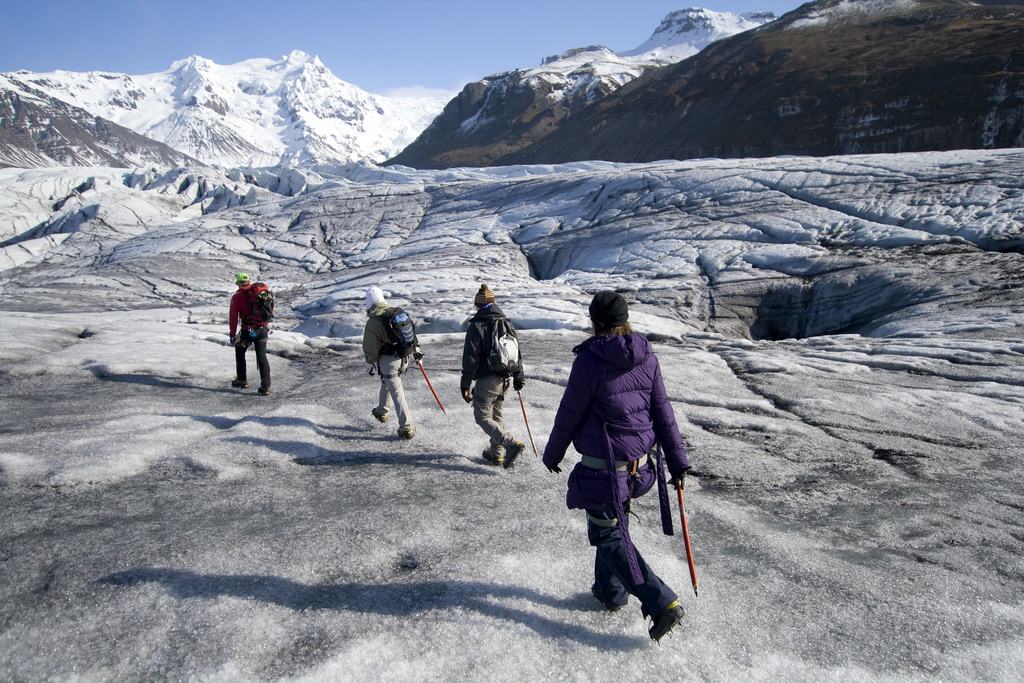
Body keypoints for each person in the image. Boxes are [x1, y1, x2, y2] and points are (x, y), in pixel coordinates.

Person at [542, 291, 691, 642]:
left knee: (607, 533)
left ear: (595, 322)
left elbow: (569, 414)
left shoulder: (590, 361)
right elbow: (663, 412)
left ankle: (662, 602)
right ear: (625, 320)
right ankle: (610, 593)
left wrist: (552, 454)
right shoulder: (646, 356)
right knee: (613, 524)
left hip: (602, 470)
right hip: (638, 468)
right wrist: (678, 461)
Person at [460, 284, 527, 469]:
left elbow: (471, 358)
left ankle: (511, 443)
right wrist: (518, 376)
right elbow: (516, 352)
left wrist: (465, 384)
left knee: (482, 417)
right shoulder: (506, 323)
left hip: (488, 380)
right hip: (504, 379)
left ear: (477, 304)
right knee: (496, 417)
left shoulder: (477, 325)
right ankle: (497, 455)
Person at [362, 286, 418, 440]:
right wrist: (417, 351)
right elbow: (411, 334)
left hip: (389, 362)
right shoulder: (396, 314)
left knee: (397, 392)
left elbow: (370, 348)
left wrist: (369, 363)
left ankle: (407, 427)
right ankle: (382, 411)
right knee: (387, 381)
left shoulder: (373, 322)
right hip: (405, 358)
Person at [228, 272, 271, 395]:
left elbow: (233, 317)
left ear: (239, 283)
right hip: (262, 329)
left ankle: (242, 379)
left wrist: (232, 334)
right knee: (262, 357)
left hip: (248, 330)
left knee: (240, 350)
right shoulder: (259, 293)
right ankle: (266, 386)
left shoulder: (238, 296)